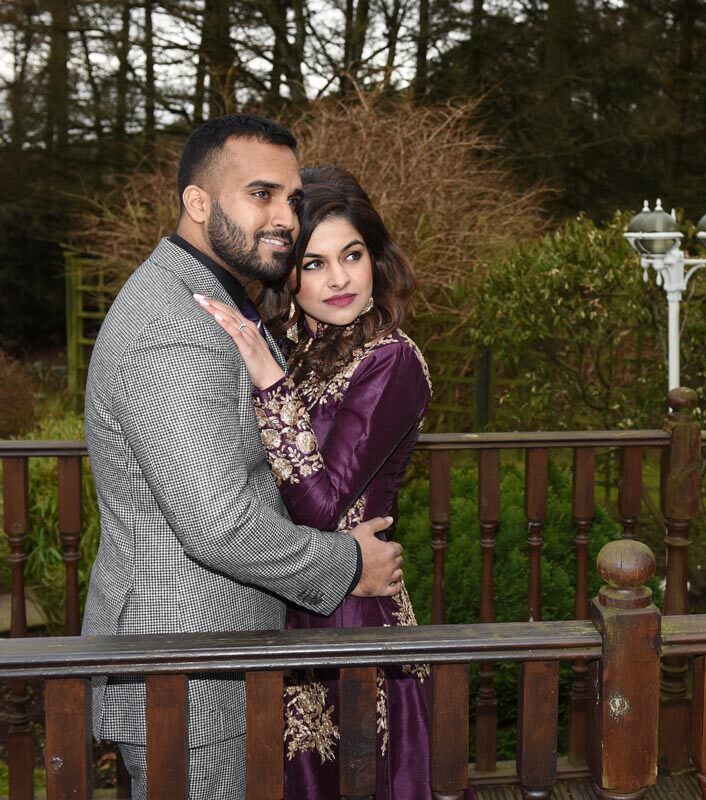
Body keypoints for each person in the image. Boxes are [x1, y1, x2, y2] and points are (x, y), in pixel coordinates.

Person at [81, 116, 404, 800]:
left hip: (212, 665)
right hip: (188, 676)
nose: (283, 218)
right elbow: (219, 523)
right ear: (199, 204)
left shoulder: (215, 301)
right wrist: (349, 563)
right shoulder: (174, 327)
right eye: (260, 193)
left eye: (290, 197)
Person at [196, 165, 433, 799]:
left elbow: (324, 508)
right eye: (315, 262)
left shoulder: (392, 360)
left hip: (353, 614)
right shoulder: (281, 347)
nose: (338, 279)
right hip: (279, 602)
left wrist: (269, 386)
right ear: (289, 275)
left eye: (352, 256)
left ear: (374, 260)